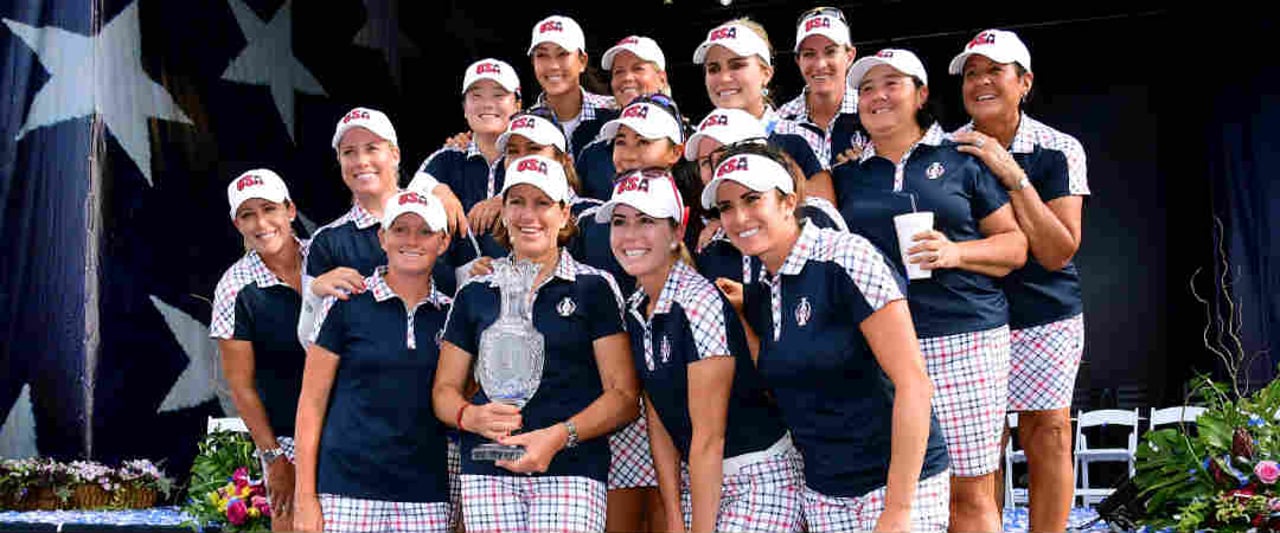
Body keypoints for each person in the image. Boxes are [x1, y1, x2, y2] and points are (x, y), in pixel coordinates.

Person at [706, 144, 951, 531]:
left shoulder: (847, 257)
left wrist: (899, 509)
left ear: (788, 201)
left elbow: (914, 385)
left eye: (753, 199)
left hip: (894, 486)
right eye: (726, 207)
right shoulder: (763, 283)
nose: (739, 217)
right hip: (825, 493)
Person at [834, 48, 1028, 532]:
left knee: (969, 491)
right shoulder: (847, 175)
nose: (877, 96)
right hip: (880, 352)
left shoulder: (961, 160)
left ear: (921, 94)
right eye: (867, 89)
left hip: (965, 338)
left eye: (891, 84)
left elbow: (1015, 246)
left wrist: (955, 253)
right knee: (901, 490)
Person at [432, 155, 641, 533]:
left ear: (564, 214)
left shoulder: (594, 288)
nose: (528, 215)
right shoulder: (475, 292)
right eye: (517, 202)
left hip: (572, 468)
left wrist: (559, 436)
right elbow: (444, 391)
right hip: (488, 468)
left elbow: (624, 396)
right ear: (504, 211)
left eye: (542, 203)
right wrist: (471, 416)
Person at [602, 168, 805, 533]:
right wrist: (676, 517)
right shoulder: (635, 307)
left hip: (758, 477)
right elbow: (659, 416)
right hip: (704, 479)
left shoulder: (698, 302)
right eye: (620, 221)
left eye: (646, 220)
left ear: (677, 231)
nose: (630, 235)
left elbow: (710, 438)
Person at [948, 29, 1090, 532]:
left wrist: (1012, 175)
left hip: (1045, 312)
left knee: (1047, 431)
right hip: (970, 317)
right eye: (971, 73)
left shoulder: (1058, 149)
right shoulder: (945, 151)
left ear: (1024, 81)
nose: (981, 81)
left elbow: (1057, 250)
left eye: (994, 70)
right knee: (979, 447)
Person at [293, 190, 456, 533]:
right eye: (400, 229)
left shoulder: (453, 315)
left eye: (425, 231)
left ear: (443, 242)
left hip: (425, 497)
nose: (411, 240)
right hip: (344, 493)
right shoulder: (344, 305)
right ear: (382, 237)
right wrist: (305, 497)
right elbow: (310, 404)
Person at [299, 107, 466, 348]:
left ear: (395, 154)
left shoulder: (441, 217)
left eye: (372, 148)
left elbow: (473, 313)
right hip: (363, 381)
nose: (361, 161)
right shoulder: (326, 241)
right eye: (349, 152)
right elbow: (309, 342)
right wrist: (315, 294)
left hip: (441, 378)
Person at [211, 169, 306, 531]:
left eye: (269, 209)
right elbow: (241, 387)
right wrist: (275, 459)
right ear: (237, 224)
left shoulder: (326, 257)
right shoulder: (234, 288)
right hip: (286, 440)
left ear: (291, 210)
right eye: (247, 215)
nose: (261, 223)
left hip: (349, 430)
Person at [685, 108, 846, 284]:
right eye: (704, 162)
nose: (716, 167)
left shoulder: (813, 216)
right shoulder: (713, 245)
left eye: (724, 154)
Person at [692, 18, 835, 203]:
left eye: (737, 65)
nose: (724, 78)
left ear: (766, 73)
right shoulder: (697, 144)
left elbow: (825, 215)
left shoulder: (800, 137)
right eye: (713, 69)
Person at [575, 35, 672, 201]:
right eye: (619, 71)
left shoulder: (690, 141)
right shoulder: (590, 149)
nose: (627, 78)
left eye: (638, 68)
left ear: (662, 78)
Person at [780, 6, 866, 168]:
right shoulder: (779, 122)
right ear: (798, 61)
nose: (820, 64)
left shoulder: (874, 111)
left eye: (830, 52)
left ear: (850, 56)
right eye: (809, 54)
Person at [527, 14, 616, 158]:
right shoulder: (524, 125)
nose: (553, 66)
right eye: (542, 55)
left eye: (562, 54)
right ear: (533, 62)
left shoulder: (614, 111)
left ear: (582, 61)